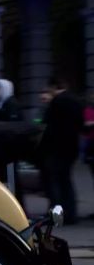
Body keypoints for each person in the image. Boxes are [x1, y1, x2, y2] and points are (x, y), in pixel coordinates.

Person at [39, 77, 85, 224]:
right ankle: (71, 214)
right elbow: (81, 124)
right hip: (72, 147)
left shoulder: (57, 102)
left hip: (56, 148)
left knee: (55, 183)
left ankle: (57, 215)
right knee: (66, 182)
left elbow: (48, 127)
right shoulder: (76, 102)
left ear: (54, 87)